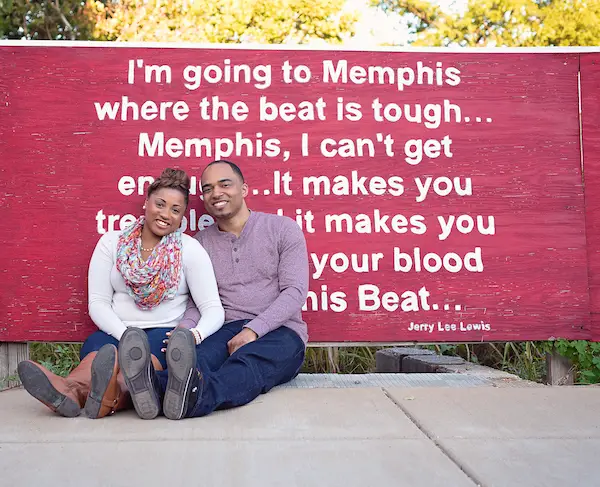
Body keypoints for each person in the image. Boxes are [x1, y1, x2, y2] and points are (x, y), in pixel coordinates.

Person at [17, 168, 224, 420]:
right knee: (99, 356)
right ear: (146, 203)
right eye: (160, 204)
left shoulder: (190, 250)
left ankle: (109, 396)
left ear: (182, 218)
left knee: (137, 373)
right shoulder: (111, 243)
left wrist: (193, 336)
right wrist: (126, 336)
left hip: (163, 335)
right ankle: (70, 391)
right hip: (116, 330)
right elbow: (98, 303)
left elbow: (213, 308)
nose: (165, 214)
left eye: (175, 210)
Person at [117, 160, 309, 420]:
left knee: (248, 363)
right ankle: (148, 386)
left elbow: (294, 292)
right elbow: (198, 302)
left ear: (244, 189)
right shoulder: (200, 244)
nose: (216, 193)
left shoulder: (282, 229)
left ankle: (192, 397)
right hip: (224, 327)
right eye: (207, 189)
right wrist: (184, 330)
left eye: (224, 184)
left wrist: (253, 330)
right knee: (198, 359)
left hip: (281, 331)